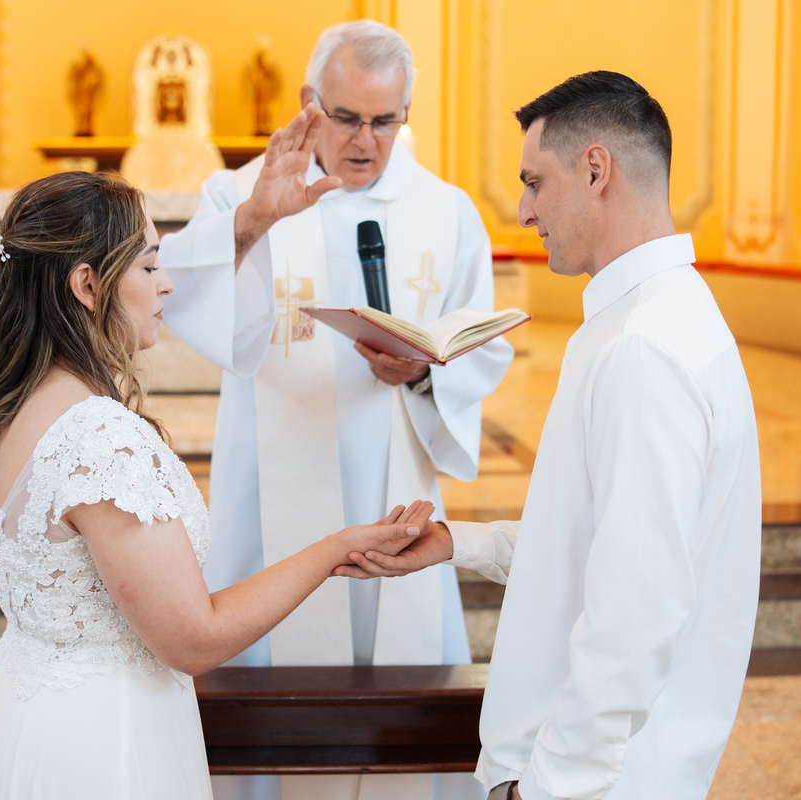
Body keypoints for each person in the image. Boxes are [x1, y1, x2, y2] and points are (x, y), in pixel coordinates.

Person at [339, 71, 762, 800]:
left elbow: (637, 610)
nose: (526, 210)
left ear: (596, 169)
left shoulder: (643, 350)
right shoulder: (659, 317)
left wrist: (546, 787)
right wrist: (459, 544)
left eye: (534, 182)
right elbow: (600, 541)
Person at [0, 171, 426, 799]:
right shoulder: (96, 437)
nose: (167, 283)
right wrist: (337, 549)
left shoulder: (6, 406)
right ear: (88, 285)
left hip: (20, 709)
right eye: (148, 266)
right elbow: (193, 638)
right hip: (100, 739)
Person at [160, 19, 511, 800]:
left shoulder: (447, 211)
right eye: (348, 118)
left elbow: (478, 347)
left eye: (387, 121)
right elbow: (185, 303)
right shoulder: (239, 192)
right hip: (270, 496)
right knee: (273, 699)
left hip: (397, 486)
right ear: (309, 104)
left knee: (402, 671)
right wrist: (255, 220)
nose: (367, 141)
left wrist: (421, 374)